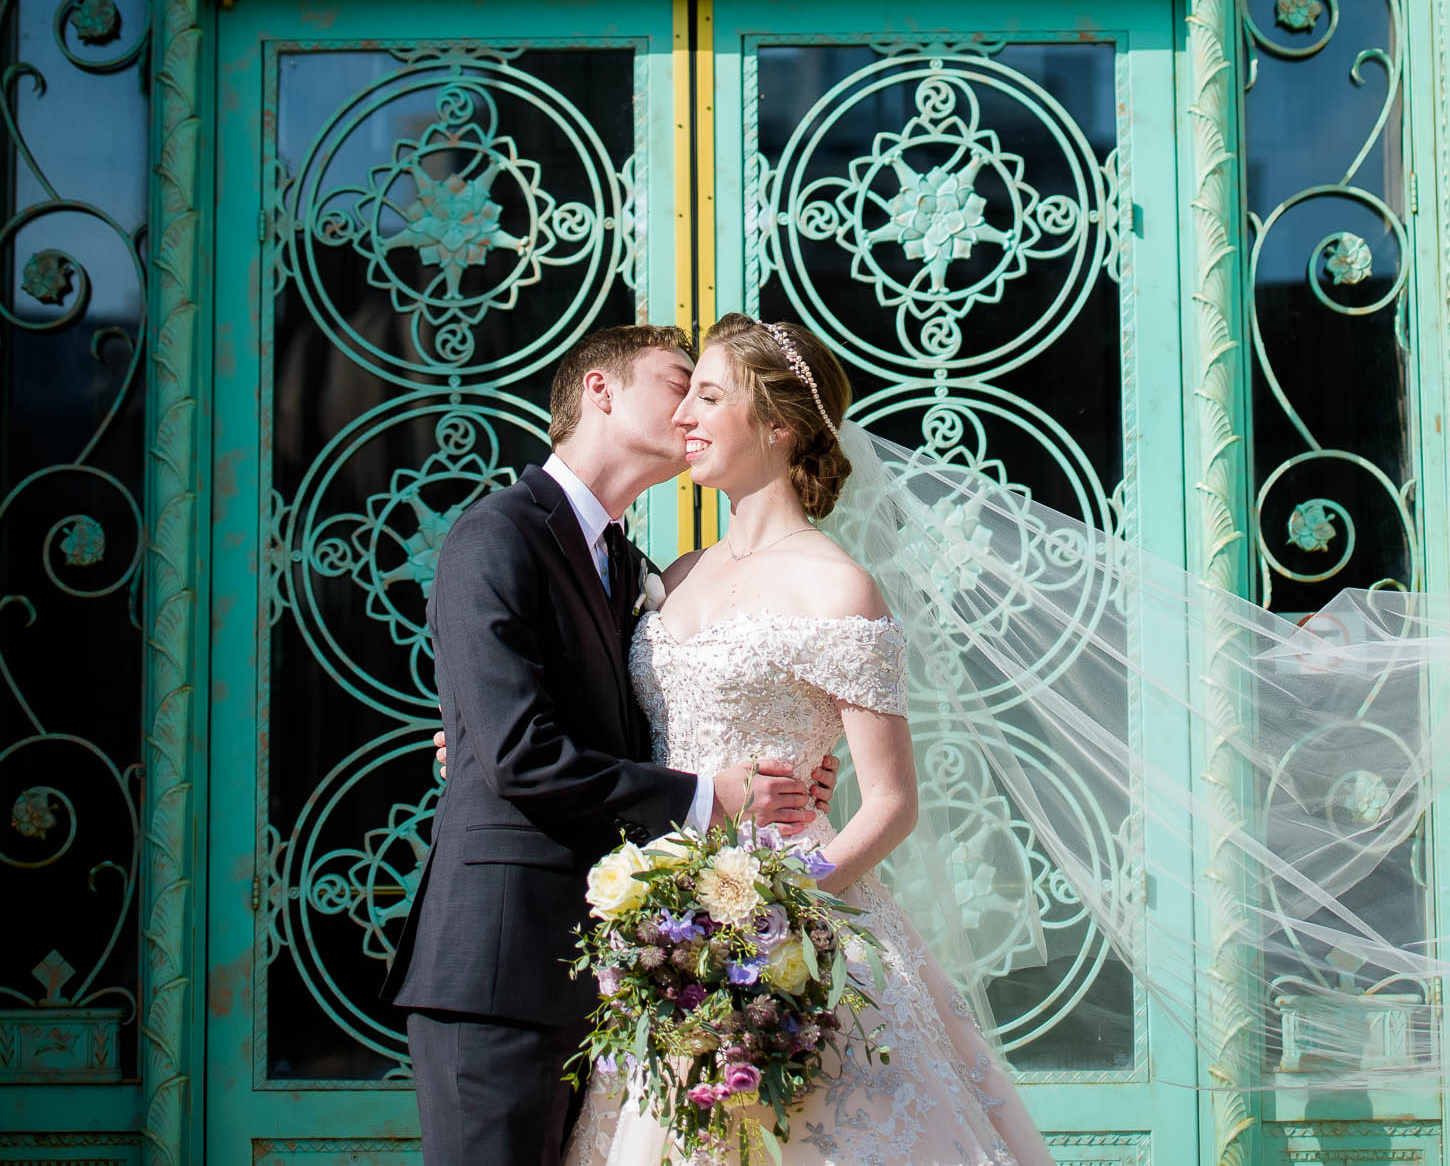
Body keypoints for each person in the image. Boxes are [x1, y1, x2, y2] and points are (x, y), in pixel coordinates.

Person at [565, 313, 1054, 1166]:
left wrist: (770, 917)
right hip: (660, 931)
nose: (683, 417)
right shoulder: (672, 574)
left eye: (708, 396)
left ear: (779, 426)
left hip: (791, 929)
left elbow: (892, 807)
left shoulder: (837, 588)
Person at [383, 322, 838, 1166]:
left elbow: (628, 725)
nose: (695, 407)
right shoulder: (497, 533)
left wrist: (794, 739)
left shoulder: (629, 570)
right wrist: (711, 797)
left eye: (712, 392)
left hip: (615, 970)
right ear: (600, 390)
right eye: (679, 382)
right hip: (498, 969)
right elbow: (519, 753)